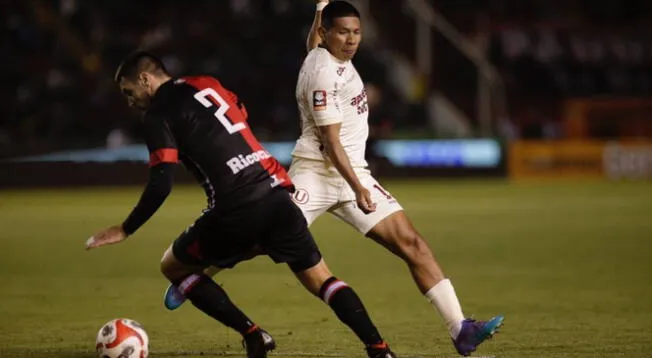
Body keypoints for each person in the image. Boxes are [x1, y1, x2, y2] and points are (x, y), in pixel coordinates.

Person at [164, 1, 504, 356]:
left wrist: (319, 9)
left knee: (413, 244)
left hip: (353, 172)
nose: (352, 39)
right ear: (328, 34)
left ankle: (460, 329)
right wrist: (359, 188)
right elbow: (331, 141)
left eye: (356, 32)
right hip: (315, 175)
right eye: (343, 32)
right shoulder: (323, 74)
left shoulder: (323, 53)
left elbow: (313, 43)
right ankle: (200, 271)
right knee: (261, 240)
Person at [85, 51, 397, 358]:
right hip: (276, 191)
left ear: (145, 79)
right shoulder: (206, 83)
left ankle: (253, 333)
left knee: (173, 266)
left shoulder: (157, 116)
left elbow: (161, 182)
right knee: (323, 281)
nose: (130, 101)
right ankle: (379, 349)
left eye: (129, 92)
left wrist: (126, 228)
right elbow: (241, 111)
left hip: (234, 207)